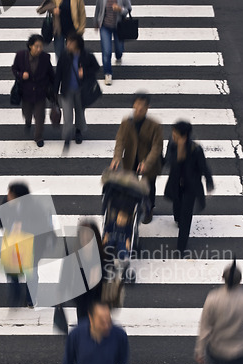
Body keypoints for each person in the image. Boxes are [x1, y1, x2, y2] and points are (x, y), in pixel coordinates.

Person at [0, 182, 55, 308]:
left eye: (10, 194)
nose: (8, 196)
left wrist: (23, 226)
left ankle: (30, 298)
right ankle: (15, 296)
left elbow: (43, 225)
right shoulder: (6, 202)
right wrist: (8, 226)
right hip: (14, 242)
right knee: (11, 270)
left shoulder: (35, 207)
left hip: (33, 244)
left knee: (31, 272)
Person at [110, 92, 163, 224]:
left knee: (148, 187)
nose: (139, 108)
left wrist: (146, 163)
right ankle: (131, 208)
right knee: (130, 185)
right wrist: (117, 157)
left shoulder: (155, 126)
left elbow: (157, 147)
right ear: (134, 104)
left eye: (143, 105)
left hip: (149, 163)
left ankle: (149, 209)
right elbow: (120, 141)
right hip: (130, 159)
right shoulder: (126, 123)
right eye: (137, 104)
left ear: (147, 107)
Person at [164, 121, 214, 256]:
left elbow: (204, 167)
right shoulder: (173, 144)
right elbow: (168, 160)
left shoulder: (196, 150)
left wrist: (209, 182)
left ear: (184, 136)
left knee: (186, 217)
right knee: (177, 206)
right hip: (176, 184)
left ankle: (181, 247)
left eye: (175, 133)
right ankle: (178, 219)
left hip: (190, 187)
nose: (172, 135)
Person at [54, 32, 100, 150]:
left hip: (81, 90)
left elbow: (96, 68)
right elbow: (58, 74)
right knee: (67, 115)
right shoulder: (64, 55)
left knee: (80, 113)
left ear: (77, 43)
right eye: (67, 42)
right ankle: (67, 137)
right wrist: (54, 92)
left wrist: (84, 72)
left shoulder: (87, 55)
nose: (67, 44)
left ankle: (78, 131)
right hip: (66, 90)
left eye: (71, 42)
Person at [12, 34, 55, 147]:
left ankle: (38, 136)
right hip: (26, 92)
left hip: (41, 92)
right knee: (27, 112)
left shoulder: (45, 58)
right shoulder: (21, 56)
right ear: (30, 46)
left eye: (41, 46)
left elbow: (51, 73)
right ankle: (28, 121)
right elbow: (14, 69)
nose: (39, 49)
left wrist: (54, 87)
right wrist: (21, 75)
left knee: (40, 116)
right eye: (36, 46)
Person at [94, 0, 131, 85]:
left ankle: (119, 56)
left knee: (119, 48)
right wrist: (96, 21)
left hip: (119, 26)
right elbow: (98, 8)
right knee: (106, 51)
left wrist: (120, 9)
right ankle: (108, 73)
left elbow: (129, 8)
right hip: (105, 26)